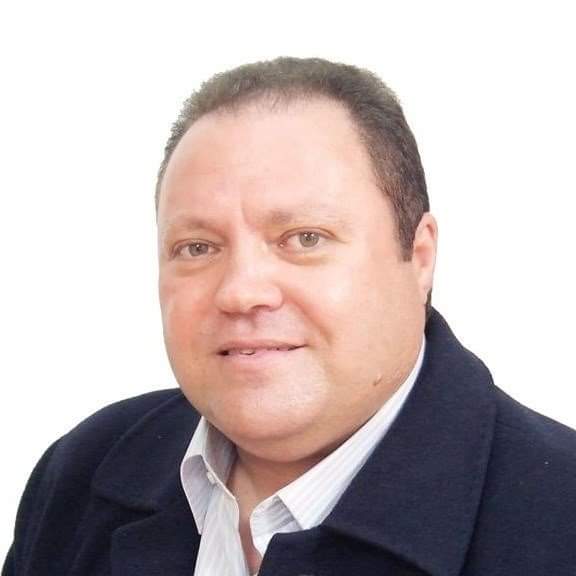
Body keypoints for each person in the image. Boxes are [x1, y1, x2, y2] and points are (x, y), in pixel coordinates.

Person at [3, 57, 576, 576]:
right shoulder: (83, 471)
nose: (241, 292)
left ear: (419, 256)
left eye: (305, 238)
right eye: (197, 247)